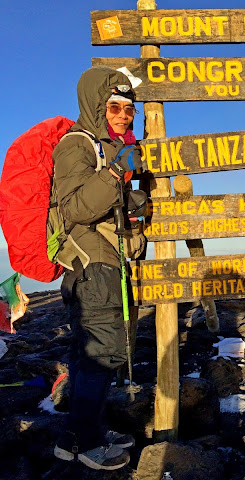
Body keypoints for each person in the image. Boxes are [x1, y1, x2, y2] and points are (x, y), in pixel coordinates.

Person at [52, 66, 147, 470]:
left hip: (106, 259)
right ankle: (81, 442)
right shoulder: (76, 145)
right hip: (90, 264)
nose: (124, 115)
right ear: (95, 106)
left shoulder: (110, 146)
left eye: (129, 108)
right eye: (114, 107)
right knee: (102, 351)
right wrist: (113, 174)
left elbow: (111, 208)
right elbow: (74, 208)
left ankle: (85, 431)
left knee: (96, 351)